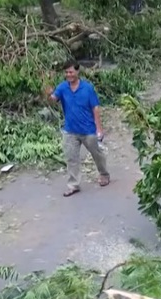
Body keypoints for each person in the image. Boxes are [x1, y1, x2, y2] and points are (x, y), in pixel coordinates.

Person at [44, 61, 111, 198]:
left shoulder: (87, 88)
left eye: (71, 72)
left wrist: (99, 129)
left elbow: (95, 108)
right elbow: (53, 100)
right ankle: (73, 185)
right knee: (71, 158)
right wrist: (48, 95)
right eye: (66, 72)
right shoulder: (62, 87)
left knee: (96, 153)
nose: (68, 75)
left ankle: (104, 174)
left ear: (77, 72)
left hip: (88, 130)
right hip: (70, 130)